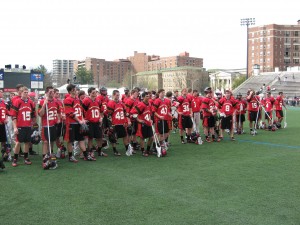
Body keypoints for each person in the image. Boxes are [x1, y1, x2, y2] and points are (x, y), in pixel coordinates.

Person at [64, 84, 96, 162]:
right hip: (71, 123)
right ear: (71, 91)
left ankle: (86, 155)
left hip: (78, 122)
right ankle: (70, 156)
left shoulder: (78, 100)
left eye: (76, 89)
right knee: (70, 140)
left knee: (81, 139)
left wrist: (83, 119)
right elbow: (70, 113)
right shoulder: (67, 100)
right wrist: (79, 120)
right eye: (74, 89)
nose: (76, 90)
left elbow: (81, 111)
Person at [11, 87, 36, 167]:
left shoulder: (31, 102)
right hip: (20, 125)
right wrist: (15, 127)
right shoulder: (17, 102)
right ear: (21, 93)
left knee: (27, 142)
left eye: (26, 92)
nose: (26, 93)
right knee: (18, 142)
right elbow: (14, 116)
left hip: (28, 125)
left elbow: (33, 114)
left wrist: (34, 124)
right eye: (24, 92)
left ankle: (26, 158)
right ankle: (15, 158)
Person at [38, 86, 61, 169]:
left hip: (53, 125)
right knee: (45, 142)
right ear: (47, 93)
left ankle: (50, 155)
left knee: (52, 141)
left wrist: (58, 118)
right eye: (50, 92)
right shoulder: (42, 101)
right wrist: (44, 104)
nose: (52, 93)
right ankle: (44, 159)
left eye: (53, 91)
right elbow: (40, 114)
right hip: (46, 125)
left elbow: (58, 111)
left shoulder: (56, 102)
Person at [82, 87, 108, 157]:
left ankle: (99, 151)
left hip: (97, 122)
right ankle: (90, 152)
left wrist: (101, 118)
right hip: (90, 122)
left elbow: (101, 111)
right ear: (89, 93)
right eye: (93, 93)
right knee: (90, 138)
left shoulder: (98, 100)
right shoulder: (86, 100)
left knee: (99, 138)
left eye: (95, 92)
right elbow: (82, 111)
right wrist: (83, 119)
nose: (94, 94)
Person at [106, 90, 130, 156]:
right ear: (113, 95)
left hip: (121, 122)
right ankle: (114, 150)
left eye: (118, 95)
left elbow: (125, 112)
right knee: (114, 137)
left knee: (124, 136)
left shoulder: (121, 103)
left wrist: (128, 118)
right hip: (115, 123)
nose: (118, 96)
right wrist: (111, 124)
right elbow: (109, 114)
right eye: (116, 95)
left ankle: (127, 149)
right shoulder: (111, 103)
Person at [131, 92, 153, 157]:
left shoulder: (149, 104)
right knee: (142, 137)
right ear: (143, 97)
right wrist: (138, 120)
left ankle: (148, 150)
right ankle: (143, 151)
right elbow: (132, 112)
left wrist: (151, 119)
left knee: (151, 137)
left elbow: (150, 113)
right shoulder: (140, 104)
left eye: (148, 96)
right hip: (142, 123)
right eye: (146, 96)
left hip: (148, 123)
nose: (148, 97)